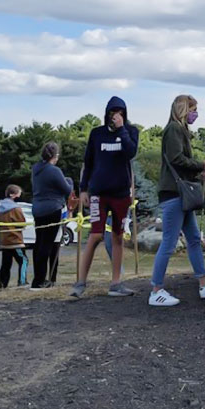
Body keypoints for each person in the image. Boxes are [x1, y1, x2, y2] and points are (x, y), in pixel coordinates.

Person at [149, 94, 205, 307]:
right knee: (169, 242)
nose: (196, 114)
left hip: (179, 193)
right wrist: (200, 165)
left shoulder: (178, 130)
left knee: (194, 238)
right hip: (174, 194)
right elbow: (177, 159)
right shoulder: (174, 130)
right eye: (194, 109)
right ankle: (156, 289)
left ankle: (204, 282)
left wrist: (198, 174)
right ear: (184, 109)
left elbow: (178, 164)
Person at [70, 96, 139, 299]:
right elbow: (88, 161)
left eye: (120, 113)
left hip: (121, 194)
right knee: (95, 235)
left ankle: (116, 283)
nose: (115, 116)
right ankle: (80, 282)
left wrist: (121, 130)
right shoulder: (97, 134)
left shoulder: (130, 132)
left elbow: (131, 152)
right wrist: (83, 189)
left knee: (118, 236)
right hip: (98, 193)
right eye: (112, 112)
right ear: (106, 114)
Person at [30, 141, 73, 289]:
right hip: (52, 208)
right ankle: (41, 280)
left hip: (37, 209)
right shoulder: (54, 171)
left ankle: (37, 278)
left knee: (39, 243)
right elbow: (67, 190)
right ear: (56, 156)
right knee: (47, 245)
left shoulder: (36, 169)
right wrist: (70, 182)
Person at [0, 184, 28, 289]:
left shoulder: (0, 208)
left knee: (5, 264)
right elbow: (22, 223)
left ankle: (2, 285)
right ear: (13, 195)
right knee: (23, 260)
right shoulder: (16, 209)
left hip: (4, 241)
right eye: (18, 194)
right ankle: (22, 282)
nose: (19, 196)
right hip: (15, 240)